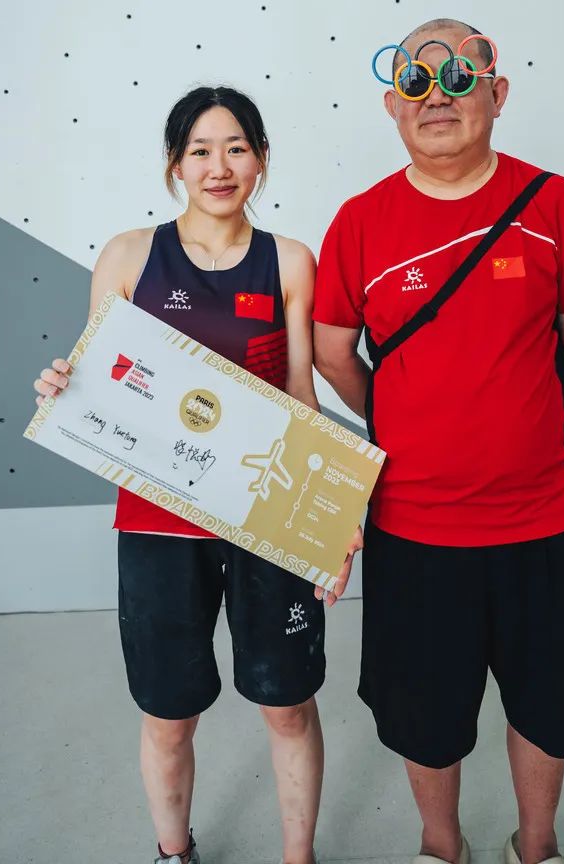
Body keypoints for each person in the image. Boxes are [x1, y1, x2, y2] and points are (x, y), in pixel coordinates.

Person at [312, 19, 564, 864]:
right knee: (426, 716)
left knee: (551, 705)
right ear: (392, 106)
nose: (436, 96)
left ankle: (537, 845)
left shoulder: (552, 201)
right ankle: (440, 846)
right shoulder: (360, 220)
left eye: (458, 76)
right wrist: (412, 413)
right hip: (414, 526)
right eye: (415, 82)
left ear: (497, 92)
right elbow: (333, 354)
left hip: (548, 517)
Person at [34, 85, 340, 864]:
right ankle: (174, 853)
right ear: (175, 164)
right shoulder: (129, 255)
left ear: (261, 159)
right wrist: (62, 385)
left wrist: (328, 527)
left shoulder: (289, 260)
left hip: (265, 519)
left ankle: (298, 858)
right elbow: (100, 381)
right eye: (200, 150)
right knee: (168, 715)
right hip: (156, 523)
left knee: (288, 706)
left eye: (236, 147)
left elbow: (301, 400)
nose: (219, 166)